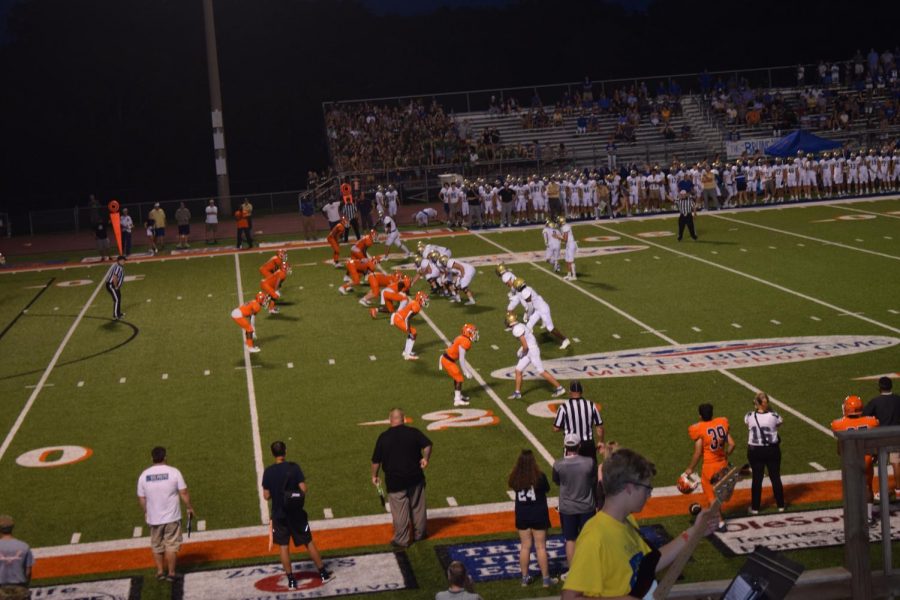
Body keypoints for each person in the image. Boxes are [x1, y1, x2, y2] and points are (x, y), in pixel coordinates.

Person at [561, 448, 719, 600]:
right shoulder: (595, 536)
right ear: (629, 488)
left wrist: (695, 530)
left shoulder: (627, 521)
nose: (649, 494)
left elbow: (650, 564)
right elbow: (569, 598)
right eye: (646, 488)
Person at [261, 441, 335, 589]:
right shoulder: (293, 468)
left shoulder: (268, 471)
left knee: (283, 546)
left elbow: (266, 495)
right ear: (285, 451)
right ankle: (323, 574)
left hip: (278, 515)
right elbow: (303, 489)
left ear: (273, 454)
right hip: (296, 514)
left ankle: (291, 581)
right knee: (308, 541)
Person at [371, 408, 432, 549]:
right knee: (418, 507)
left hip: (395, 481)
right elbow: (428, 445)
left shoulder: (383, 437)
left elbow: (376, 461)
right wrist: (426, 459)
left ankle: (402, 539)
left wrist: (374, 476)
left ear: (390, 419)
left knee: (399, 512)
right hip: (415, 477)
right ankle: (420, 533)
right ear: (404, 419)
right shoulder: (413, 432)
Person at [136, 446, 196, 582]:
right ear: (165, 457)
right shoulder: (174, 472)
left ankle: (160, 571)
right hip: (172, 517)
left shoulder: (144, 475)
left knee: (157, 545)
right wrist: (189, 507)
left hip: (154, 518)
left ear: (152, 458)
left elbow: (141, 498)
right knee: (171, 545)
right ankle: (171, 573)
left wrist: (146, 512)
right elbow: (184, 492)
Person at [508, 450, 557, 589]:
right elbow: (546, 489)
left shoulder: (515, 477)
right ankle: (546, 580)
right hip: (538, 514)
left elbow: (512, 485)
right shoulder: (539, 476)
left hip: (522, 514)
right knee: (541, 546)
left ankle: (524, 578)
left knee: (525, 546)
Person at [685, 403, 734, 530]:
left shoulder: (699, 429)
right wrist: (726, 455)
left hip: (709, 467)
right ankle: (711, 514)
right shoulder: (722, 423)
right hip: (723, 464)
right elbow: (732, 444)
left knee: (711, 495)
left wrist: (690, 468)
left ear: (700, 415)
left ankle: (721, 522)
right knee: (717, 494)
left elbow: (698, 452)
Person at [553, 433, 596, 577]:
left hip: (568, 508)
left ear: (565, 446)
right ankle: (589, 569)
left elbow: (557, 481)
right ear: (579, 446)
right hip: (586, 506)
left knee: (570, 540)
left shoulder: (558, 464)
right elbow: (593, 479)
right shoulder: (589, 462)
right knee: (587, 540)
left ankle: (573, 572)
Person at [832, 395, 879, 523]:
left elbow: (839, 445)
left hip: (851, 458)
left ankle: (855, 515)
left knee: (851, 487)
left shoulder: (838, 424)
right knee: (867, 486)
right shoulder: (871, 421)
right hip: (867, 457)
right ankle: (869, 516)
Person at [505, 311, 565, 400]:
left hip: (531, 351)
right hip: (530, 349)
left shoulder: (516, 329)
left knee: (541, 371)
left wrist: (522, 352)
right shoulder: (520, 325)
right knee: (518, 370)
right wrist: (523, 350)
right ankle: (517, 393)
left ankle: (560, 388)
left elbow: (525, 345)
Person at [744, 391, 785, 514]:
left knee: (757, 479)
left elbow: (747, 422)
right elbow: (779, 422)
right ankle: (781, 505)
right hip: (771, 450)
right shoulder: (774, 416)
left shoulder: (749, 415)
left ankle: (755, 508)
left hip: (755, 450)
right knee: (775, 477)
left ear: (756, 404)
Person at [863, 377, 900, 500]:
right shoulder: (898, 400)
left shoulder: (875, 401)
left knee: (882, 465)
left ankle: (882, 491)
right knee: (896, 462)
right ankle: (899, 490)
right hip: (896, 435)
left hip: (881, 437)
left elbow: (865, 416)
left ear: (879, 387)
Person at [553, 381, 604, 462]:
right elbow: (599, 427)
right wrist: (601, 441)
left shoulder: (564, 407)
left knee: (571, 470)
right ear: (581, 391)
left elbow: (556, 428)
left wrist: (568, 427)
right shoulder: (591, 405)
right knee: (591, 470)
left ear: (570, 392)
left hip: (571, 444)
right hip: (588, 444)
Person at [440, 323, 478, 407]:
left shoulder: (460, 337)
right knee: (459, 378)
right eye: (473, 332)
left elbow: (451, 346)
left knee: (457, 376)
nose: (475, 334)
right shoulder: (465, 341)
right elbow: (461, 358)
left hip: (447, 358)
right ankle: (457, 400)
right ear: (469, 332)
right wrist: (466, 372)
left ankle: (459, 395)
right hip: (447, 360)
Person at [0, 515, 32, 600]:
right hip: (20, 588)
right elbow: (28, 572)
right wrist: (25, 586)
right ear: (12, 527)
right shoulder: (24, 546)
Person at [105, 255, 126, 320]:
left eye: (124, 260)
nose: (124, 262)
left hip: (114, 285)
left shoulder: (118, 265)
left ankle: (118, 313)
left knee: (118, 298)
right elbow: (115, 277)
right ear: (119, 261)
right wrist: (116, 286)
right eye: (122, 260)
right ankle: (116, 315)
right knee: (116, 299)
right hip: (112, 285)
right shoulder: (118, 267)